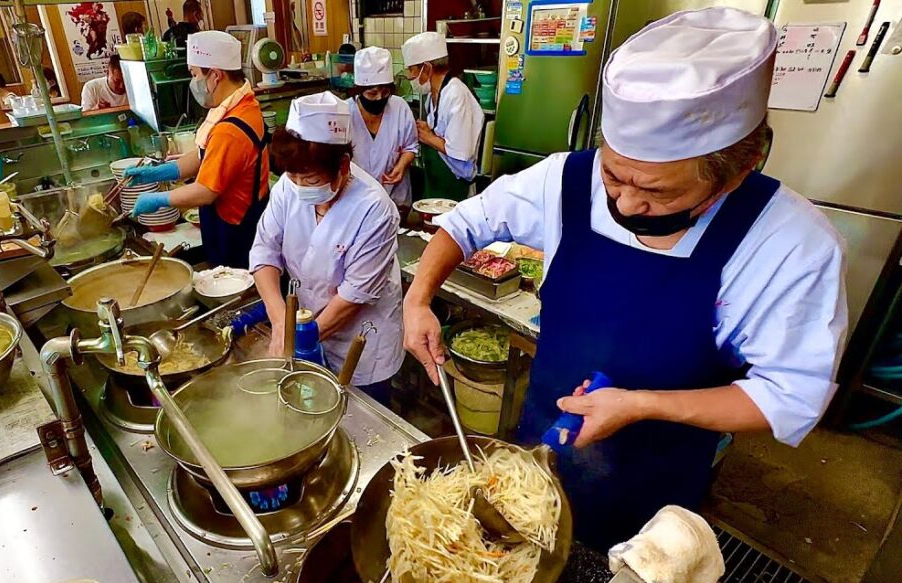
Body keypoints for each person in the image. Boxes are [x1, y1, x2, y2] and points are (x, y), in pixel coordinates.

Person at [402, 8, 847, 551]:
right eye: (613, 174)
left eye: (660, 192)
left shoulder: (790, 244)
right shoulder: (567, 178)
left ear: (741, 167)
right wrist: (419, 298)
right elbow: (467, 222)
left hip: (654, 483)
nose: (625, 202)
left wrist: (641, 404)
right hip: (539, 444)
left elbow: (790, 393)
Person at [249, 92, 404, 404]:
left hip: (361, 341)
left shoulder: (374, 210)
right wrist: (280, 320)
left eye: (309, 178)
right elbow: (265, 250)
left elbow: (352, 298)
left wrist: (298, 339)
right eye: (291, 176)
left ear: (343, 165)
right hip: (307, 326)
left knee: (363, 422)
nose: (298, 186)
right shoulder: (288, 188)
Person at [127, 31, 269, 269]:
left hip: (236, 230)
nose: (193, 82)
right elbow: (207, 155)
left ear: (215, 75)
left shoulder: (230, 129)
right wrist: (161, 172)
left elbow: (206, 191)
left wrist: (159, 199)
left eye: (194, 74)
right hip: (240, 221)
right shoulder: (241, 105)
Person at [402, 32, 484, 201]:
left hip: (457, 184)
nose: (410, 76)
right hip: (437, 183)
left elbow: (460, 151)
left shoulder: (456, 94)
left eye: (412, 69)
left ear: (427, 68)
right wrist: (429, 130)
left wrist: (428, 137)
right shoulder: (434, 95)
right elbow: (443, 132)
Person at [348, 47, 418, 215]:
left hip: (397, 201)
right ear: (358, 90)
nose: (379, 98)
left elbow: (410, 147)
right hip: (356, 203)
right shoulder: (344, 114)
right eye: (372, 94)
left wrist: (401, 166)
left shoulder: (400, 107)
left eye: (385, 92)